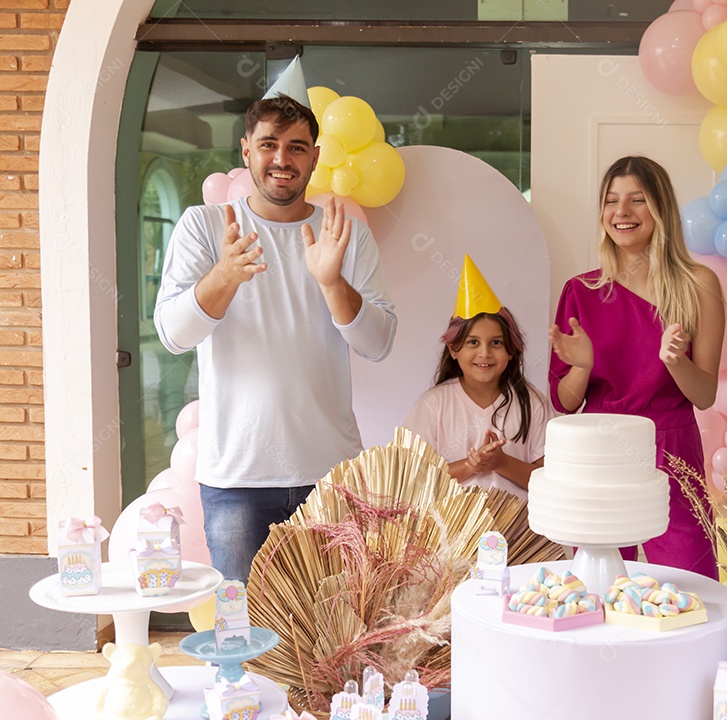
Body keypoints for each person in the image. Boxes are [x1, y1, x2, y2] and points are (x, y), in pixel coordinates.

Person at [154, 64, 397, 582]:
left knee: (333, 636)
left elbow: (379, 343)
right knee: (243, 636)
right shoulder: (204, 227)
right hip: (236, 477)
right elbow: (174, 335)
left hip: (331, 476)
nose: (281, 159)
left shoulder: (344, 234)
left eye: (296, 146)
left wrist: (332, 282)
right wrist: (223, 276)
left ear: (314, 155)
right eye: (269, 144)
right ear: (246, 151)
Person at [548, 155, 725, 579]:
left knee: (692, 585)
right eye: (611, 201)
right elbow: (564, 403)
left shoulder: (699, 285)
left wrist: (676, 361)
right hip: (601, 453)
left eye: (637, 200)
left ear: (660, 209)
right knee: (599, 588)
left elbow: (704, 395)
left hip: (672, 450)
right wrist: (583, 368)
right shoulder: (581, 291)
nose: (621, 213)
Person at [405, 255, 551, 500]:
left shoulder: (532, 403)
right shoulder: (433, 405)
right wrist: (471, 465)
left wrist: (501, 462)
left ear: (511, 351)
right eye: (473, 342)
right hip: (451, 532)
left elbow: (550, 480)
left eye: (496, 343)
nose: (485, 353)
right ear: (454, 349)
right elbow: (414, 480)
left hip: (519, 533)